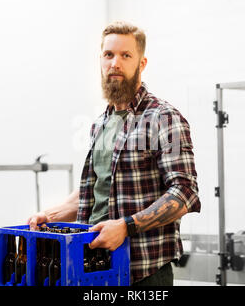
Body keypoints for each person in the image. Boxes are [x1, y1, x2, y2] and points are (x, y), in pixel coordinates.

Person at [27, 21, 201, 286]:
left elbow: (184, 192)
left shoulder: (163, 118)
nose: (115, 63)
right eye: (109, 55)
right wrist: (50, 217)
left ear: (141, 64)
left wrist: (126, 226)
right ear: (100, 60)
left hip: (143, 272)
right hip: (95, 266)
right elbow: (97, 191)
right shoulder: (101, 123)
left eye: (125, 55)